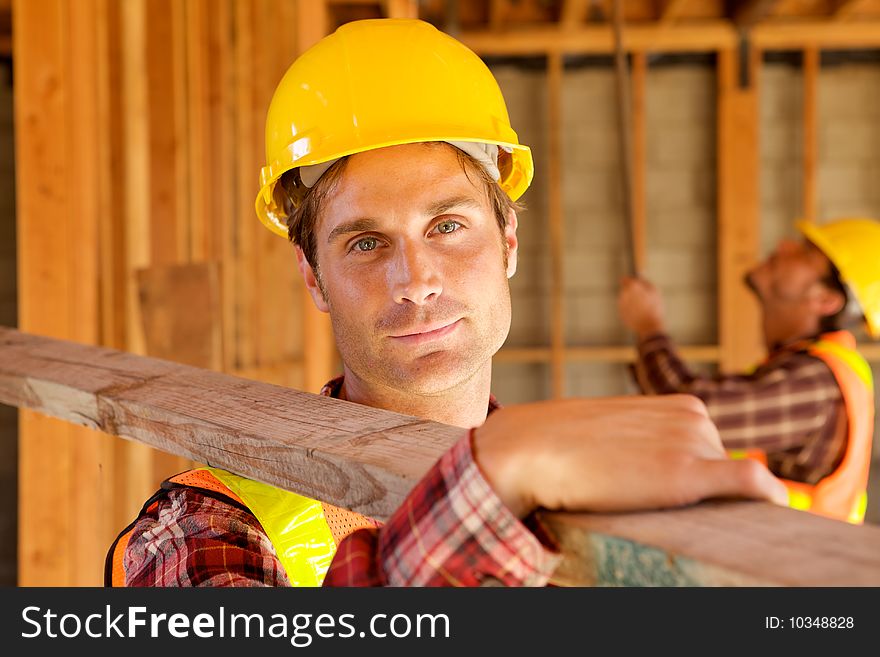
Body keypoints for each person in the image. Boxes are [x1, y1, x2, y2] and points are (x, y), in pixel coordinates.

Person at [106, 18, 785, 588]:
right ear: (312, 276)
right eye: (367, 242)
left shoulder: (591, 509)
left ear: (509, 242)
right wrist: (493, 477)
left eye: (447, 226)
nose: (416, 278)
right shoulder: (205, 524)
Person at [618, 218, 879, 524]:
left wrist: (649, 328)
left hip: (794, 563)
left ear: (825, 300)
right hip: (783, 557)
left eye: (806, 254)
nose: (784, 246)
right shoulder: (798, 370)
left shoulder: (815, 382)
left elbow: (688, 417)